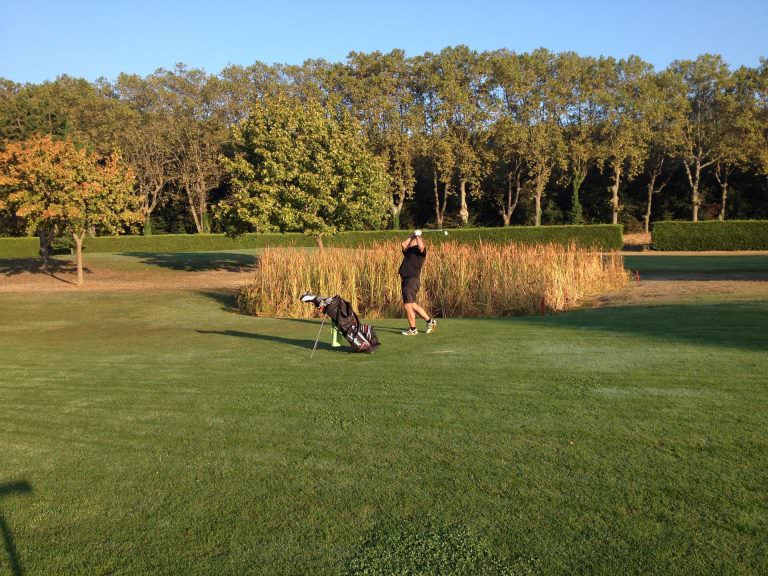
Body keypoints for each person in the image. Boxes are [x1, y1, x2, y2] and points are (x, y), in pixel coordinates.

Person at [398, 230, 437, 336]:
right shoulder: (409, 251)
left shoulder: (420, 252)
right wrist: (412, 236)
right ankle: (430, 322)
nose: (411, 242)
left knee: (407, 306)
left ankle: (413, 329)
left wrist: (418, 236)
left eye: (413, 241)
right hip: (407, 279)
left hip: (411, 279)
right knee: (413, 305)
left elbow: (421, 246)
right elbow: (403, 244)